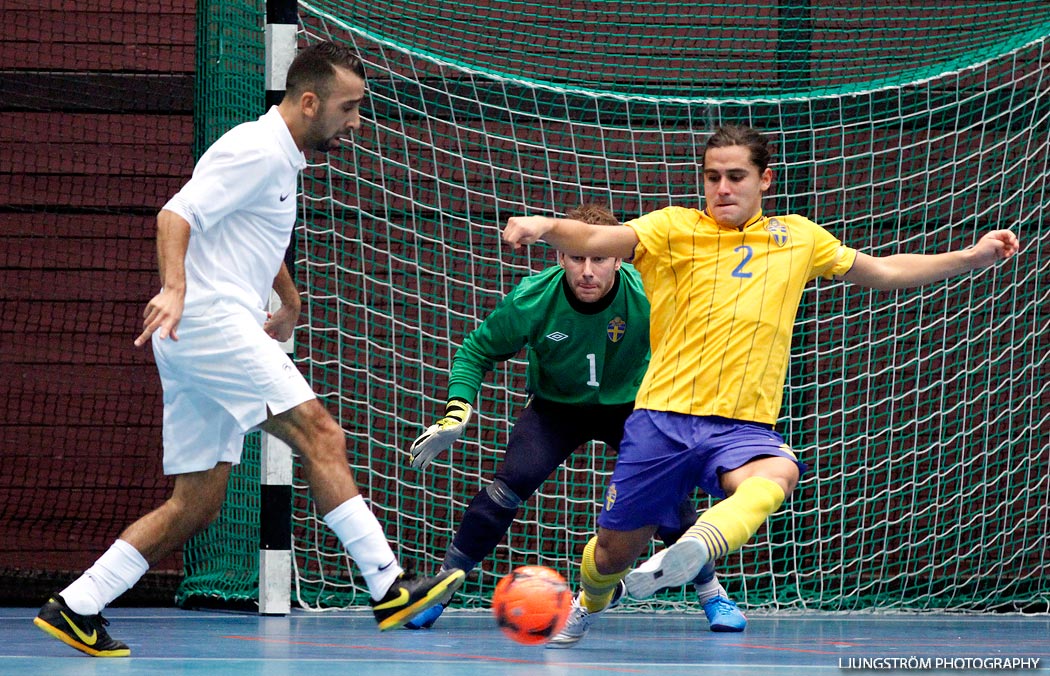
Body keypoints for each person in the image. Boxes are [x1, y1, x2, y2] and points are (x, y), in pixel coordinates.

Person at [502, 123, 1020, 648]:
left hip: (741, 426)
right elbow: (593, 239)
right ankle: (589, 604)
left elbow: (883, 270)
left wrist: (972, 257)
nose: (722, 188)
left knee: (781, 469)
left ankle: (700, 545)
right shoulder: (671, 229)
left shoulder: (799, 237)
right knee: (612, 555)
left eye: (736, 176)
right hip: (661, 421)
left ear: (764, 179)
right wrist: (546, 224)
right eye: (712, 177)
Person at [33, 41, 464, 658]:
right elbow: (175, 215)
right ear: (309, 101)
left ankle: (76, 605)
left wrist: (287, 301)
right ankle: (389, 586)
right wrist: (175, 289)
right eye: (348, 108)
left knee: (195, 504)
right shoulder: (256, 150)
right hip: (209, 322)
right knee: (321, 436)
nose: (356, 122)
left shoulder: (281, 160)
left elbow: (253, 236)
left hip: (201, 333)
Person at [405, 204, 746, 633]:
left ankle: (712, 593)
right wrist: (457, 411)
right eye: (576, 257)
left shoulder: (649, 295)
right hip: (554, 410)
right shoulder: (532, 299)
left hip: (631, 408)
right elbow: (476, 351)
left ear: (618, 259)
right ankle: (440, 590)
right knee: (504, 491)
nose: (587, 270)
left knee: (668, 499)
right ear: (560, 256)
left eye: (599, 259)